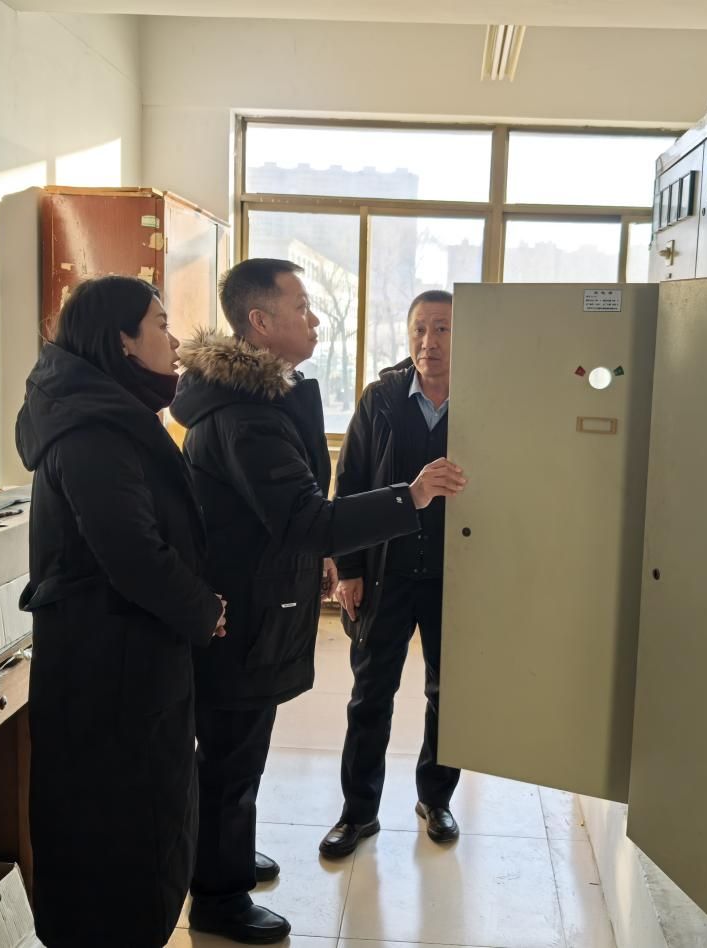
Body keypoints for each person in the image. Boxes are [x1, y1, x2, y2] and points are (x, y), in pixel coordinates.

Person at [170, 258, 466, 944]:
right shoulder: (251, 415)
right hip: (242, 612)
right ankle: (218, 896)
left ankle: (226, 858)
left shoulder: (261, 402)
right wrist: (410, 498)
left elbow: (291, 509)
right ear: (260, 321)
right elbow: (310, 514)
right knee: (232, 758)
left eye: (444, 329)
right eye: (301, 307)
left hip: (260, 603)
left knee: (241, 754)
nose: (315, 318)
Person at [15, 276, 226, 948]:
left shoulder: (104, 412)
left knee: (139, 835)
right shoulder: (93, 430)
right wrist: (203, 609)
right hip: (110, 677)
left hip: (124, 663)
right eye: (161, 324)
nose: (176, 341)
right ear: (123, 342)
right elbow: (132, 553)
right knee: (119, 845)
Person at [322, 290, 462, 858]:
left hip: (455, 577)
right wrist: (350, 568)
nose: (429, 342)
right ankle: (358, 813)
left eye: (443, 329)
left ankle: (436, 798)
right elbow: (351, 484)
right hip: (386, 573)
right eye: (420, 329)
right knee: (371, 695)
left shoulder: (487, 401)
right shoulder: (380, 399)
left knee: (450, 695)